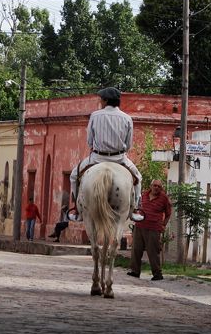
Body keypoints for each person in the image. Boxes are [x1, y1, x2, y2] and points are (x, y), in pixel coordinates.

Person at [69, 86, 142, 221]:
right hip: (120, 158)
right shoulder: (127, 118)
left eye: (101, 99)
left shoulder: (95, 115)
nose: (100, 101)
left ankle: (76, 210)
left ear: (106, 100)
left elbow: (90, 140)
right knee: (138, 178)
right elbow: (129, 144)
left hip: (97, 158)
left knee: (74, 176)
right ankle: (135, 209)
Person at [127, 179, 172, 281]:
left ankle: (157, 274)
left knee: (153, 252)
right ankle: (135, 271)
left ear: (161, 188)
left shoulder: (164, 198)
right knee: (136, 250)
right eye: (155, 185)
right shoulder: (143, 195)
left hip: (153, 229)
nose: (156, 188)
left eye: (159, 186)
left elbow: (168, 213)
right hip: (139, 226)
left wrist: (163, 224)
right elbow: (136, 207)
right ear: (151, 186)